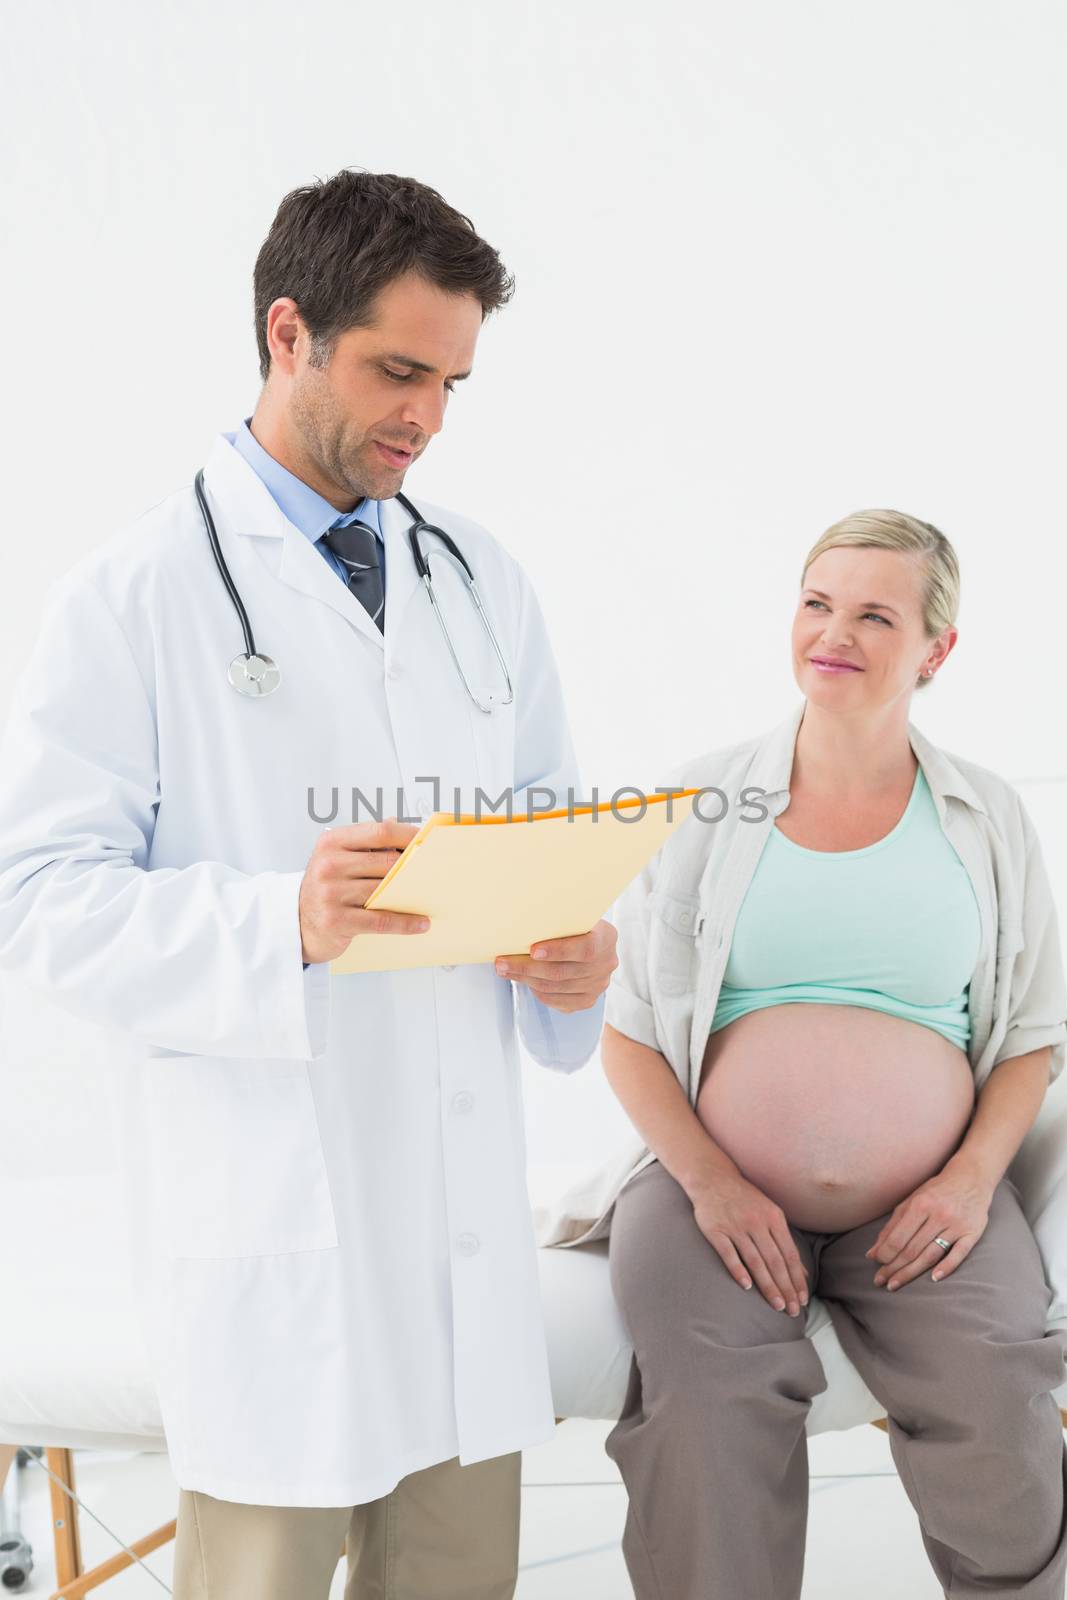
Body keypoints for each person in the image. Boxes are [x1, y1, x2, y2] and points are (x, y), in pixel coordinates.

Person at [0, 169, 617, 1600]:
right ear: (288, 334)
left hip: (462, 1239)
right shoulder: (135, 594)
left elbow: (545, 828)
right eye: (397, 370)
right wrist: (280, 919)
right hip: (281, 1216)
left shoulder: (480, 580)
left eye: (454, 382)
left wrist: (567, 957)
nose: (427, 418)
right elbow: (36, 895)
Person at [537, 510, 1067, 1598]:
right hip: (706, 1195)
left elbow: (1029, 1036)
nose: (833, 632)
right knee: (707, 1414)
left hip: (926, 1202)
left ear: (934, 649)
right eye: (816, 602)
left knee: (999, 1400)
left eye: (874, 613)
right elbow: (628, 1031)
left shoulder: (984, 816)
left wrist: (969, 1184)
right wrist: (713, 1185)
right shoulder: (706, 800)